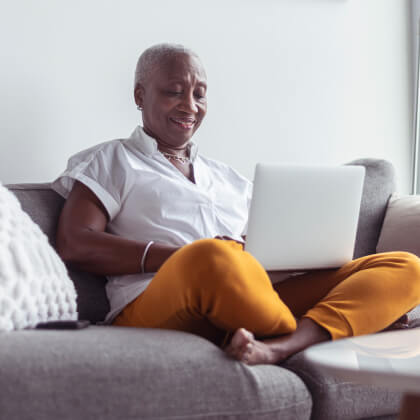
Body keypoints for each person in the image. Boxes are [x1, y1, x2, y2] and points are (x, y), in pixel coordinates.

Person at [52, 43, 420, 365]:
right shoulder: (112, 160)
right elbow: (75, 242)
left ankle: (282, 345)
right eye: (174, 92)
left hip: (253, 294)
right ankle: (345, 322)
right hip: (157, 301)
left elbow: (260, 251)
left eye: (200, 94)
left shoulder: (227, 177)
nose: (190, 106)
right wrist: (182, 255)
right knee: (213, 256)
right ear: (139, 95)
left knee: (406, 266)